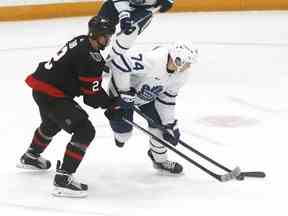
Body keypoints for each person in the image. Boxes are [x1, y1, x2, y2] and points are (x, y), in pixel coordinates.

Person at [17, 16, 123, 198]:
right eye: (105, 36)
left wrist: (97, 69)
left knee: (53, 122)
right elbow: (91, 98)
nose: (108, 40)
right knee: (85, 130)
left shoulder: (81, 41)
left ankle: (31, 157)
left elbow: (77, 63)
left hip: (41, 86)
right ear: (95, 34)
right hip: (52, 94)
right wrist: (111, 106)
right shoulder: (91, 59)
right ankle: (63, 179)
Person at [105, 42, 199, 174]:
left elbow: (168, 99)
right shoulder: (153, 60)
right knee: (124, 135)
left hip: (147, 96)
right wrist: (124, 91)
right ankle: (120, 138)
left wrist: (169, 124)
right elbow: (120, 63)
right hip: (122, 96)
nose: (188, 66)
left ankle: (160, 161)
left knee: (160, 129)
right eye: (187, 62)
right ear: (177, 60)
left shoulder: (182, 75)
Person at [96, 0, 175, 63]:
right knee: (99, 28)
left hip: (144, 10)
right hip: (119, 3)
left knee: (128, 35)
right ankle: (89, 53)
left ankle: (111, 61)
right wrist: (124, 16)